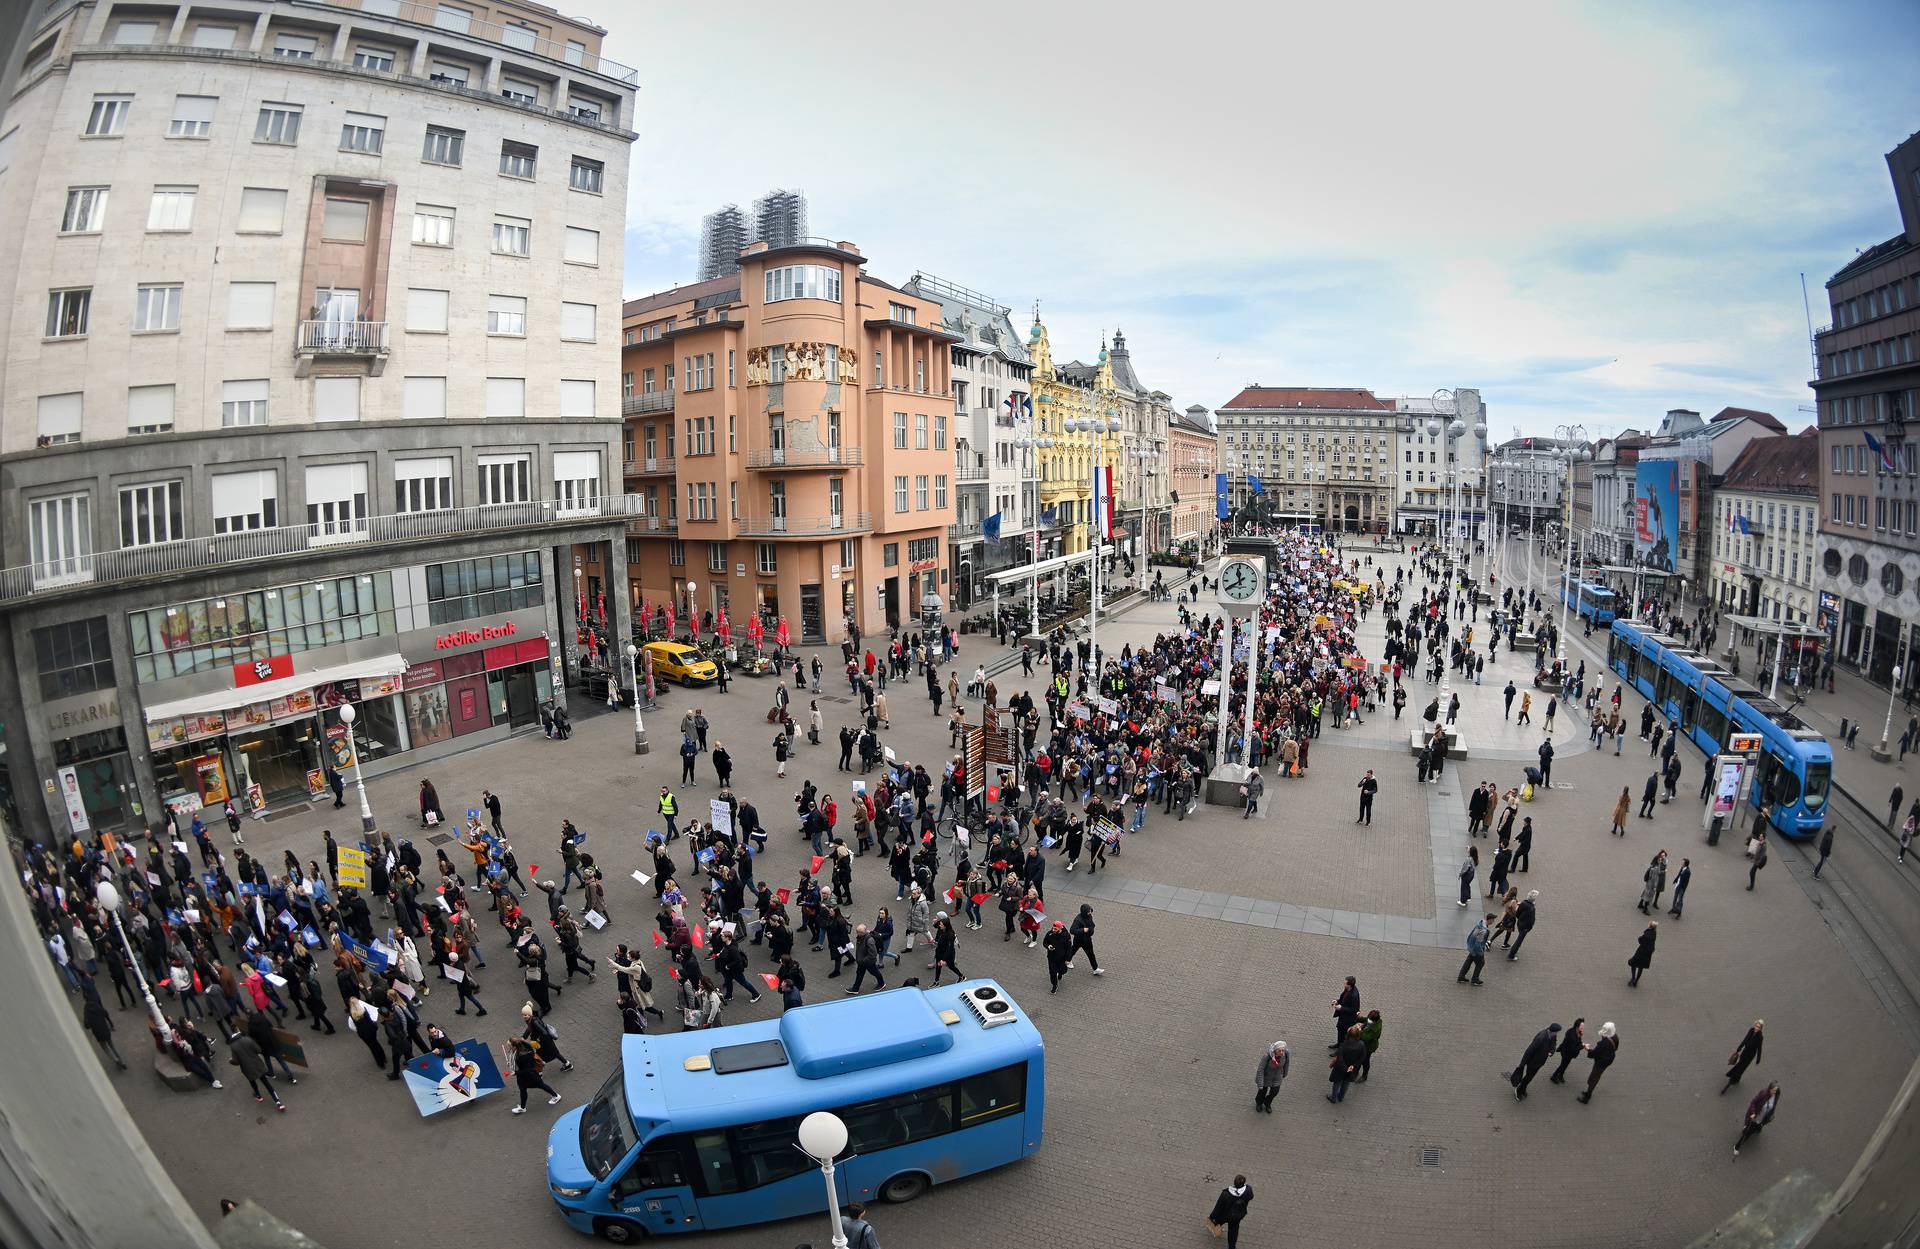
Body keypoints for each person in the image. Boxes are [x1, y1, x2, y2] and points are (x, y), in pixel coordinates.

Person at [225, 1028, 286, 1111]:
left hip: (247, 1068)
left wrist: (230, 1061)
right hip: (258, 1065)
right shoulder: (248, 1039)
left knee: (252, 1081)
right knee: (266, 1083)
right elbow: (259, 1050)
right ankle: (278, 1102)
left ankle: (258, 1095)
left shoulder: (233, 1046)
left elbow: (236, 1061)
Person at [508, 1036, 561, 1114]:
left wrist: (516, 1073)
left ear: (515, 1046)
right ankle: (522, 1107)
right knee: (523, 1089)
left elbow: (528, 1069)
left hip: (530, 1075)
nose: (508, 1048)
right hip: (523, 1076)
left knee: (541, 1085)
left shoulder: (523, 1056)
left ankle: (556, 1096)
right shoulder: (521, 1050)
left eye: (509, 1046)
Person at [1510, 1023, 1561, 1100]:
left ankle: (1523, 1089)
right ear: (1553, 1031)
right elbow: (1529, 1051)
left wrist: (1552, 1051)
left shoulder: (1553, 1035)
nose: (1557, 1033)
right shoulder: (1541, 1038)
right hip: (1532, 1063)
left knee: (1530, 1077)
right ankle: (1518, 1090)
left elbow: (1554, 1044)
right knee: (1528, 1077)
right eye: (1557, 1032)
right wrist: (1522, 1064)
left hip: (1539, 1062)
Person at [1733, 1082, 1781, 1157]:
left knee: (1758, 1128)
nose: (1774, 1092)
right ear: (1769, 1089)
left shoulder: (1776, 1096)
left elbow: (1773, 1106)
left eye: (1775, 1091)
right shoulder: (1763, 1093)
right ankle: (1737, 1146)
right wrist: (1752, 1113)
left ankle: (1752, 1128)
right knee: (1747, 1134)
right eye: (1773, 1090)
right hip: (1756, 1117)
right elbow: (1753, 1103)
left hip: (1763, 1118)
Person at [1207, 1177, 1254, 1249]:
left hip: (1225, 1215)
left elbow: (1218, 1207)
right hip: (1237, 1216)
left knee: (1218, 1221)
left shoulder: (1225, 1194)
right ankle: (1232, 1247)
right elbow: (1251, 1197)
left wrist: (1212, 1216)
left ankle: (1216, 1229)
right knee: (1233, 1231)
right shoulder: (1248, 1190)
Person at [1578, 1022, 1619, 1103]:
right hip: (1608, 1060)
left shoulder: (1603, 1044)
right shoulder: (1615, 1037)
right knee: (1595, 1076)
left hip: (1601, 1063)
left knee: (1593, 1078)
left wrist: (1587, 1049)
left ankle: (1587, 1097)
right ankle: (1588, 1092)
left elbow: (1593, 1054)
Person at [1723, 1020, 1764, 1093]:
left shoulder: (1760, 1037)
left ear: (1761, 1028)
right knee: (1739, 1065)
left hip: (1750, 1055)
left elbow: (1759, 1048)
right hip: (1745, 1052)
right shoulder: (1751, 1030)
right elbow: (1745, 1040)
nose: (1756, 1028)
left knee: (1742, 1068)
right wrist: (1739, 1049)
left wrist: (1758, 1059)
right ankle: (1736, 1078)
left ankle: (1732, 1081)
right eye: (1756, 1026)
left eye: (1758, 1027)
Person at [1328, 1025, 1366, 1103]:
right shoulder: (1361, 1045)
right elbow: (1362, 1058)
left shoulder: (1343, 1045)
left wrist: (1346, 1069)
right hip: (1352, 1069)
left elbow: (1340, 1059)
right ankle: (1341, 1097)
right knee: (1346, 1083)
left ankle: (1333, 1098)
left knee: (1337, 1083)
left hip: (1340, 1069)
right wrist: (1353, 1066)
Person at [1253, 1041, 1288, 1113]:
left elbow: (1286, 1065)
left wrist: (1284, 1074)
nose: (1281, 1052)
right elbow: (1260, 1069)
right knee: (1262, 1092)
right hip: (1266, 1077)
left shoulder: (1285, 1054)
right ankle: (1259, 1103)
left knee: (1274, 1092)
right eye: (1279, 1051)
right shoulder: (1267, 1056)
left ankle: (1267, 1103)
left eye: (1282, 1050)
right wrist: (1260, 1083)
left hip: (1277, 1078)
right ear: (1275, 1051)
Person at [1549, 1018, 1585, 1084]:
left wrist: (1580, 1038)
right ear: (1577, 1027)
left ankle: (1560, 1075)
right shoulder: (1571, 1034)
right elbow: (1573, 1048)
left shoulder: (1577, 1032)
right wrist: (1583, 1046)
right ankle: (1554, 1076)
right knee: (1563, 1065)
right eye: (1582, 1027)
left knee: (1566, 1064)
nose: (1583, 1028)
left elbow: (1578, 1041)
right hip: (1566, 1052)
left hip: (1570, 1053)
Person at [1458, 913, 1490, 985]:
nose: (1493, 921)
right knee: (1481, 963)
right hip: (1477, 950)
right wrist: (1480, 951)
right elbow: (1479, 942)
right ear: (1490, 920)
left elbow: (1473, 936)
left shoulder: (1480, 925)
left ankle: (1461, 976)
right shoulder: (1484, 930)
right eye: (1493, 920)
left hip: (1472, 948)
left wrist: (1471, 946)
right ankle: (1475, 979)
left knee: (1468, 962)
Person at [1627, 922, 1656, 987]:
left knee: (1633, 964)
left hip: (1641, 952)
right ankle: (1636, 981)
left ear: (1650, 926)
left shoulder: (1647, 934)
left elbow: (1640, 941)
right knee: (1641, 967)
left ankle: (1633, 978)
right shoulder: (1654, 933)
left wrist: (1640, 938)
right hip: (1648, 954)